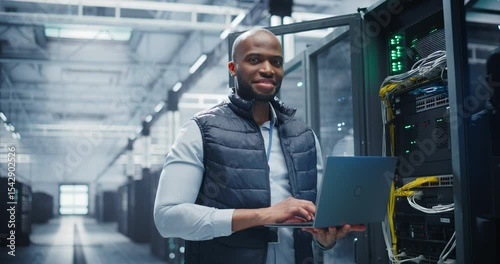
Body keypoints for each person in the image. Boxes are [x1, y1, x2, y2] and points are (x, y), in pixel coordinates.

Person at [153, 28, 366, 263]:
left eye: (276, 62)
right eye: (254, 60)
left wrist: (324, 239)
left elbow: (313, 220)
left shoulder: (304, 136)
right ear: (233, 68)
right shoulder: (200, 130)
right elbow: (167, 218)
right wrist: (264, 215)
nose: (267, 69)